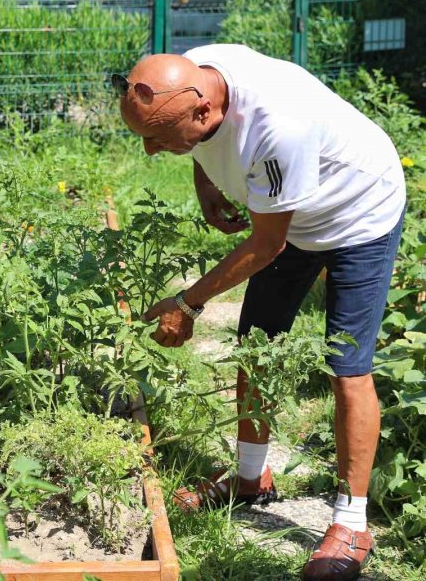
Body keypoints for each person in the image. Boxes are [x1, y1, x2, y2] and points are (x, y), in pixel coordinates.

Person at [115, 45, 405, 581]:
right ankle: (252, 480)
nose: (151, 152)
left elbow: (267, 243)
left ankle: (352, 523)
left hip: (358, 211)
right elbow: (208, 148)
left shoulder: (279, 126)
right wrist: (206, 183)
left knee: (348, 368)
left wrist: (187, 303)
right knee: (256, 346)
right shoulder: (200, 69)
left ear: (202, 112)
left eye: (159, 137)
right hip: (290, 213)